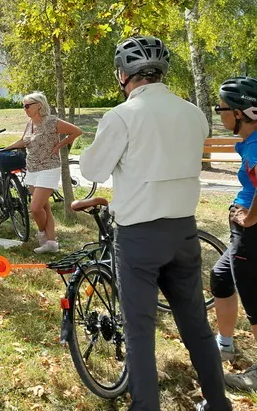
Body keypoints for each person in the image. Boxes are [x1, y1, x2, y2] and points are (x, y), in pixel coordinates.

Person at [79, 36, 231, 411]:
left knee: (140, 331)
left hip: (138, 237)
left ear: (122, 74)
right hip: (184, 230)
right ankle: (218, 403)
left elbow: (92, 170)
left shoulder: (121, 116)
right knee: (196, 323)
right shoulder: (193, 113)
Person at [210, 76, 257, 391]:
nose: (219, 113)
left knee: (254, 301)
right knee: (221, 276)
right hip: (243, 230)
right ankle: (225, 344)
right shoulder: (251, 141)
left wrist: (250, 218)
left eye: (221, 108)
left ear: (239, 113)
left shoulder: (254, 145)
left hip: (250, 232)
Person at [4, 91, 81, 253]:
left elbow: (76, 131)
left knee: (36, 207)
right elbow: (24, 141)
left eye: (27, 106)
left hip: (49, 168)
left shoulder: (52, 121)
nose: (24, 109)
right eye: (23, 106)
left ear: (39, 105)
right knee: (45, 207)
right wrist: (8, 147)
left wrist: (60, 145)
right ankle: (51, 243)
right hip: (32, 168)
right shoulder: (30, 124)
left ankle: (41, 233)